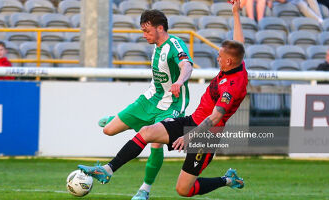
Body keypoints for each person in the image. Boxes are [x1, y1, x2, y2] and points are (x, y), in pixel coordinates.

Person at [78, 0, 247, 197]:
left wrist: (189, 136)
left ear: (228, 61)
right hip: (192, 121)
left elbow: (216, 118)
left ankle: (227, 180)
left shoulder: (233, 86)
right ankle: (107, 170)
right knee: (147, 132)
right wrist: (235, 13)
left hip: (206, 136)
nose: (217, 58)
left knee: (184, 190)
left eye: (219, 56)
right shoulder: (237, 64)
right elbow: (239, 45)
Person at [97, 9, 193, 200]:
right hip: (149, 99)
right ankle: (118, 119)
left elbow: (187, 65)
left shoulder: (175, 44)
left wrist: (180, 81)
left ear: (160, 28)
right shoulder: (157, 45)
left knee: (155, 142)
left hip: (171, 104)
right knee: (108, 130)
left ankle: (144, 190)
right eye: (143, 31)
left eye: (147, 31)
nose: (144, 35)